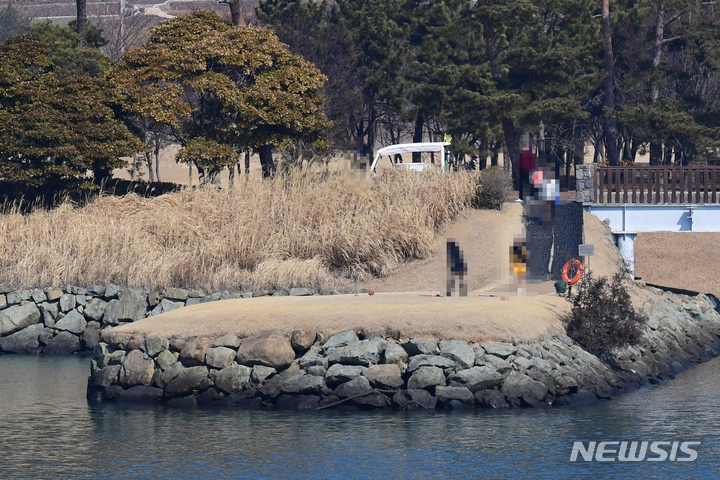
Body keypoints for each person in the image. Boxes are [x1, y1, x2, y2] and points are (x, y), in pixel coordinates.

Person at [518, 134, 537, 201]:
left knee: (530, 184)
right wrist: (518, 170)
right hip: (522, 171)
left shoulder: (531, 154)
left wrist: (533, 171)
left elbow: (533, 163)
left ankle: (532, 196)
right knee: (521, 184)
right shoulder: (521, 154)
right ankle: (521, 197)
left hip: (529, 170)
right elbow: (520, 163)